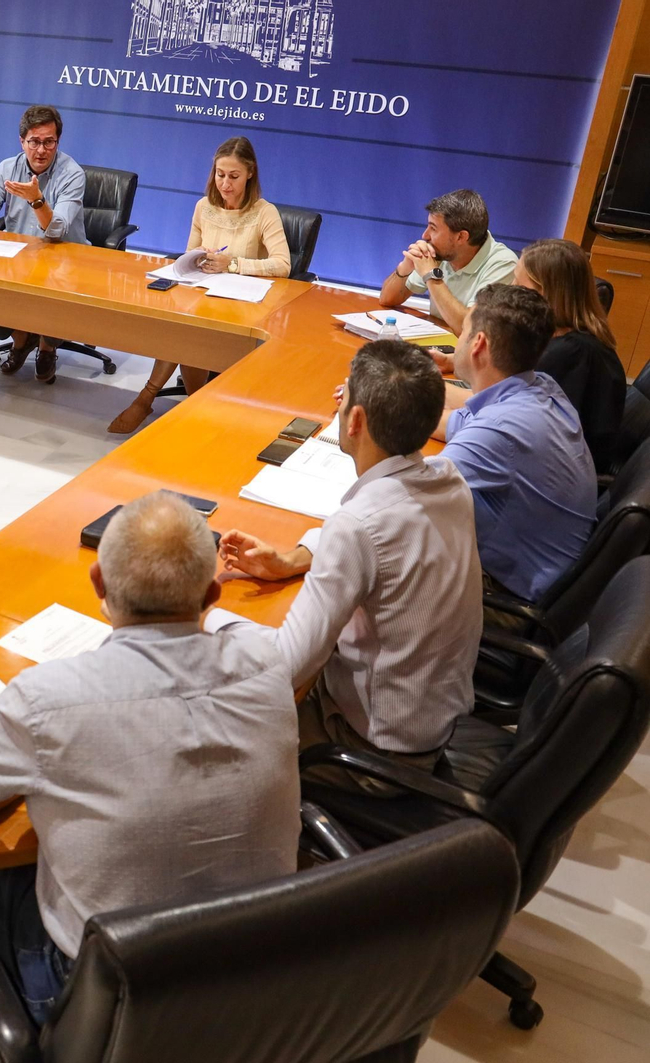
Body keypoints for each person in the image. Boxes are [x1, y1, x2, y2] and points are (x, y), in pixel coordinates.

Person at [0, 491, 299, 1058]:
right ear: (213, 595)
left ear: (98, 582)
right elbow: (238, 634)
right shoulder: (270, 663)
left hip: (111, 998)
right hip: (260, 974)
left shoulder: (49, 699)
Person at [210, 341, 482, 791]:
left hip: (371, 755)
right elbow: (382, 536)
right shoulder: (449, 479)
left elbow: (286, 666)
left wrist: (209, 617)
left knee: (206, 721)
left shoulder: (356, 527)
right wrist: (295, 559)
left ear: (355, 420)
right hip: (432, 721)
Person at [109, 137, 290, 434]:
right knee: (184, 325)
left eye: (233, 176)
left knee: (191, 331)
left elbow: (283, 265)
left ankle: (148, 396)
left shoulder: (263, 212)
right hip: (205, 293)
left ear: (250, 173)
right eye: (220, 175)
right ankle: (194, 406)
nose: (225, 184)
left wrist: (233, 264)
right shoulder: (203, 207)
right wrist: (193, 261)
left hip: (241, 303)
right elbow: (189, 253)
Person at [436, 284, 596, 605]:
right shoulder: (540, 386)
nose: (459, 339)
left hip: (503, 596)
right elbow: (461, 422)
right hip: (545, 574)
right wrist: (392, 392)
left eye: (464, 330)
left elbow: (394, 501)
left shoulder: (498, 430)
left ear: (478, 344)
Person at [0, 104, 87, 384]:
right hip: (19, 258)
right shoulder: (7, 168)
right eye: (34, 142)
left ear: (57, 142)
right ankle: (22, 337)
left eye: (49, 142)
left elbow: (56, 230)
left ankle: (48, 346)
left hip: (65, 260)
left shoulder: (72, 173)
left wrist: (36, 199)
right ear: (22, 142)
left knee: (56, 294)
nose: (41, 150)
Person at [514, 239, 625, 471]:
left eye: (518, 283)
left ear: (545, 293)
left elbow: (509, 416)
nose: (510, 289)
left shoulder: (571, 353)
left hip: (554, 473)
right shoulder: (567, 338)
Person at [380, 188, 516, 335]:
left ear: (461, 237)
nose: (425, 235)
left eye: (433, 228)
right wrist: (406, 267)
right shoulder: (440, 253)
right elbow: (387, 299)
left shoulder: (503, 265)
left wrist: (431, 276)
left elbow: (471, 330)